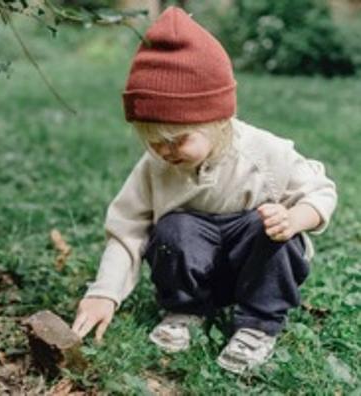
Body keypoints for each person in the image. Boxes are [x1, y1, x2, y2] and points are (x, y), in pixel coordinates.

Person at [71, 6, 337, 374]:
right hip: (194, 267)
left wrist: (294, 218)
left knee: (272, 230)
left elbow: (321, 191)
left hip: (252, 264)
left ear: (217, 119)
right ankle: (184, 310)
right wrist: (104, 293)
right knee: (174, 228)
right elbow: (127, 231)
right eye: (153, 142)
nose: (165, 152)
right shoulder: (156, 167)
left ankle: (258, 326)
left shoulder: (263, 153)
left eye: (176, 140)